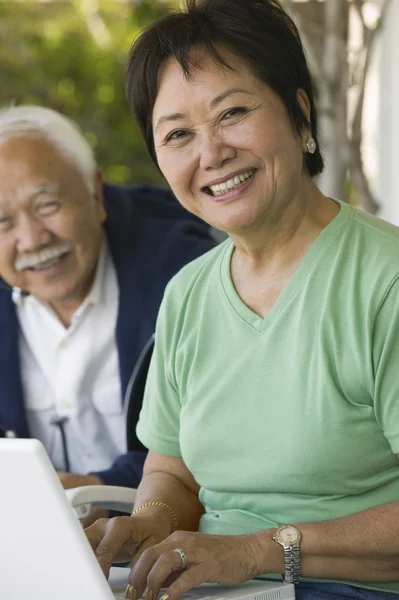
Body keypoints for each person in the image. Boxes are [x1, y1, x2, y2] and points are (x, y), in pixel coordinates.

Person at [86, 0, 399, 598]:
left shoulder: (385, 280)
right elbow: (173, 470)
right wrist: (150, 522)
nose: (211, 153)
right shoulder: (187, 293)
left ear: (299, 112)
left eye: (232, 113)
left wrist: (256, 551)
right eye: (178, 134)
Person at [0, 104, 216, 494]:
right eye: (2, 222)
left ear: (96, 194)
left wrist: (96, 489)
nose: (31, 240)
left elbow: (217, 445)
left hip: (172, 533)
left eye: (47, 206)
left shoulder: (186, 273)